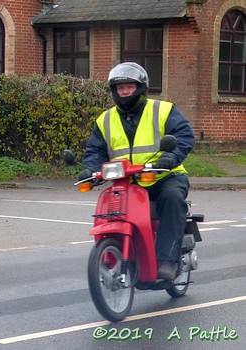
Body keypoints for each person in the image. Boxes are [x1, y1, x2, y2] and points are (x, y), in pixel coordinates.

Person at [80, 62, 195, 280]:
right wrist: (90, 168)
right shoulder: (105, 119)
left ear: (141, 87)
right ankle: (117, 256)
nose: (124, 91)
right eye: (120, 88)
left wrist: (170, 157)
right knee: (110, 210)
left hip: (164, 176)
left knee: (171, 198)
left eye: (129, 86)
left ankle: (168, 261)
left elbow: (184, 136)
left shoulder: (162, 109)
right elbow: (95, 149)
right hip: (127, 182)